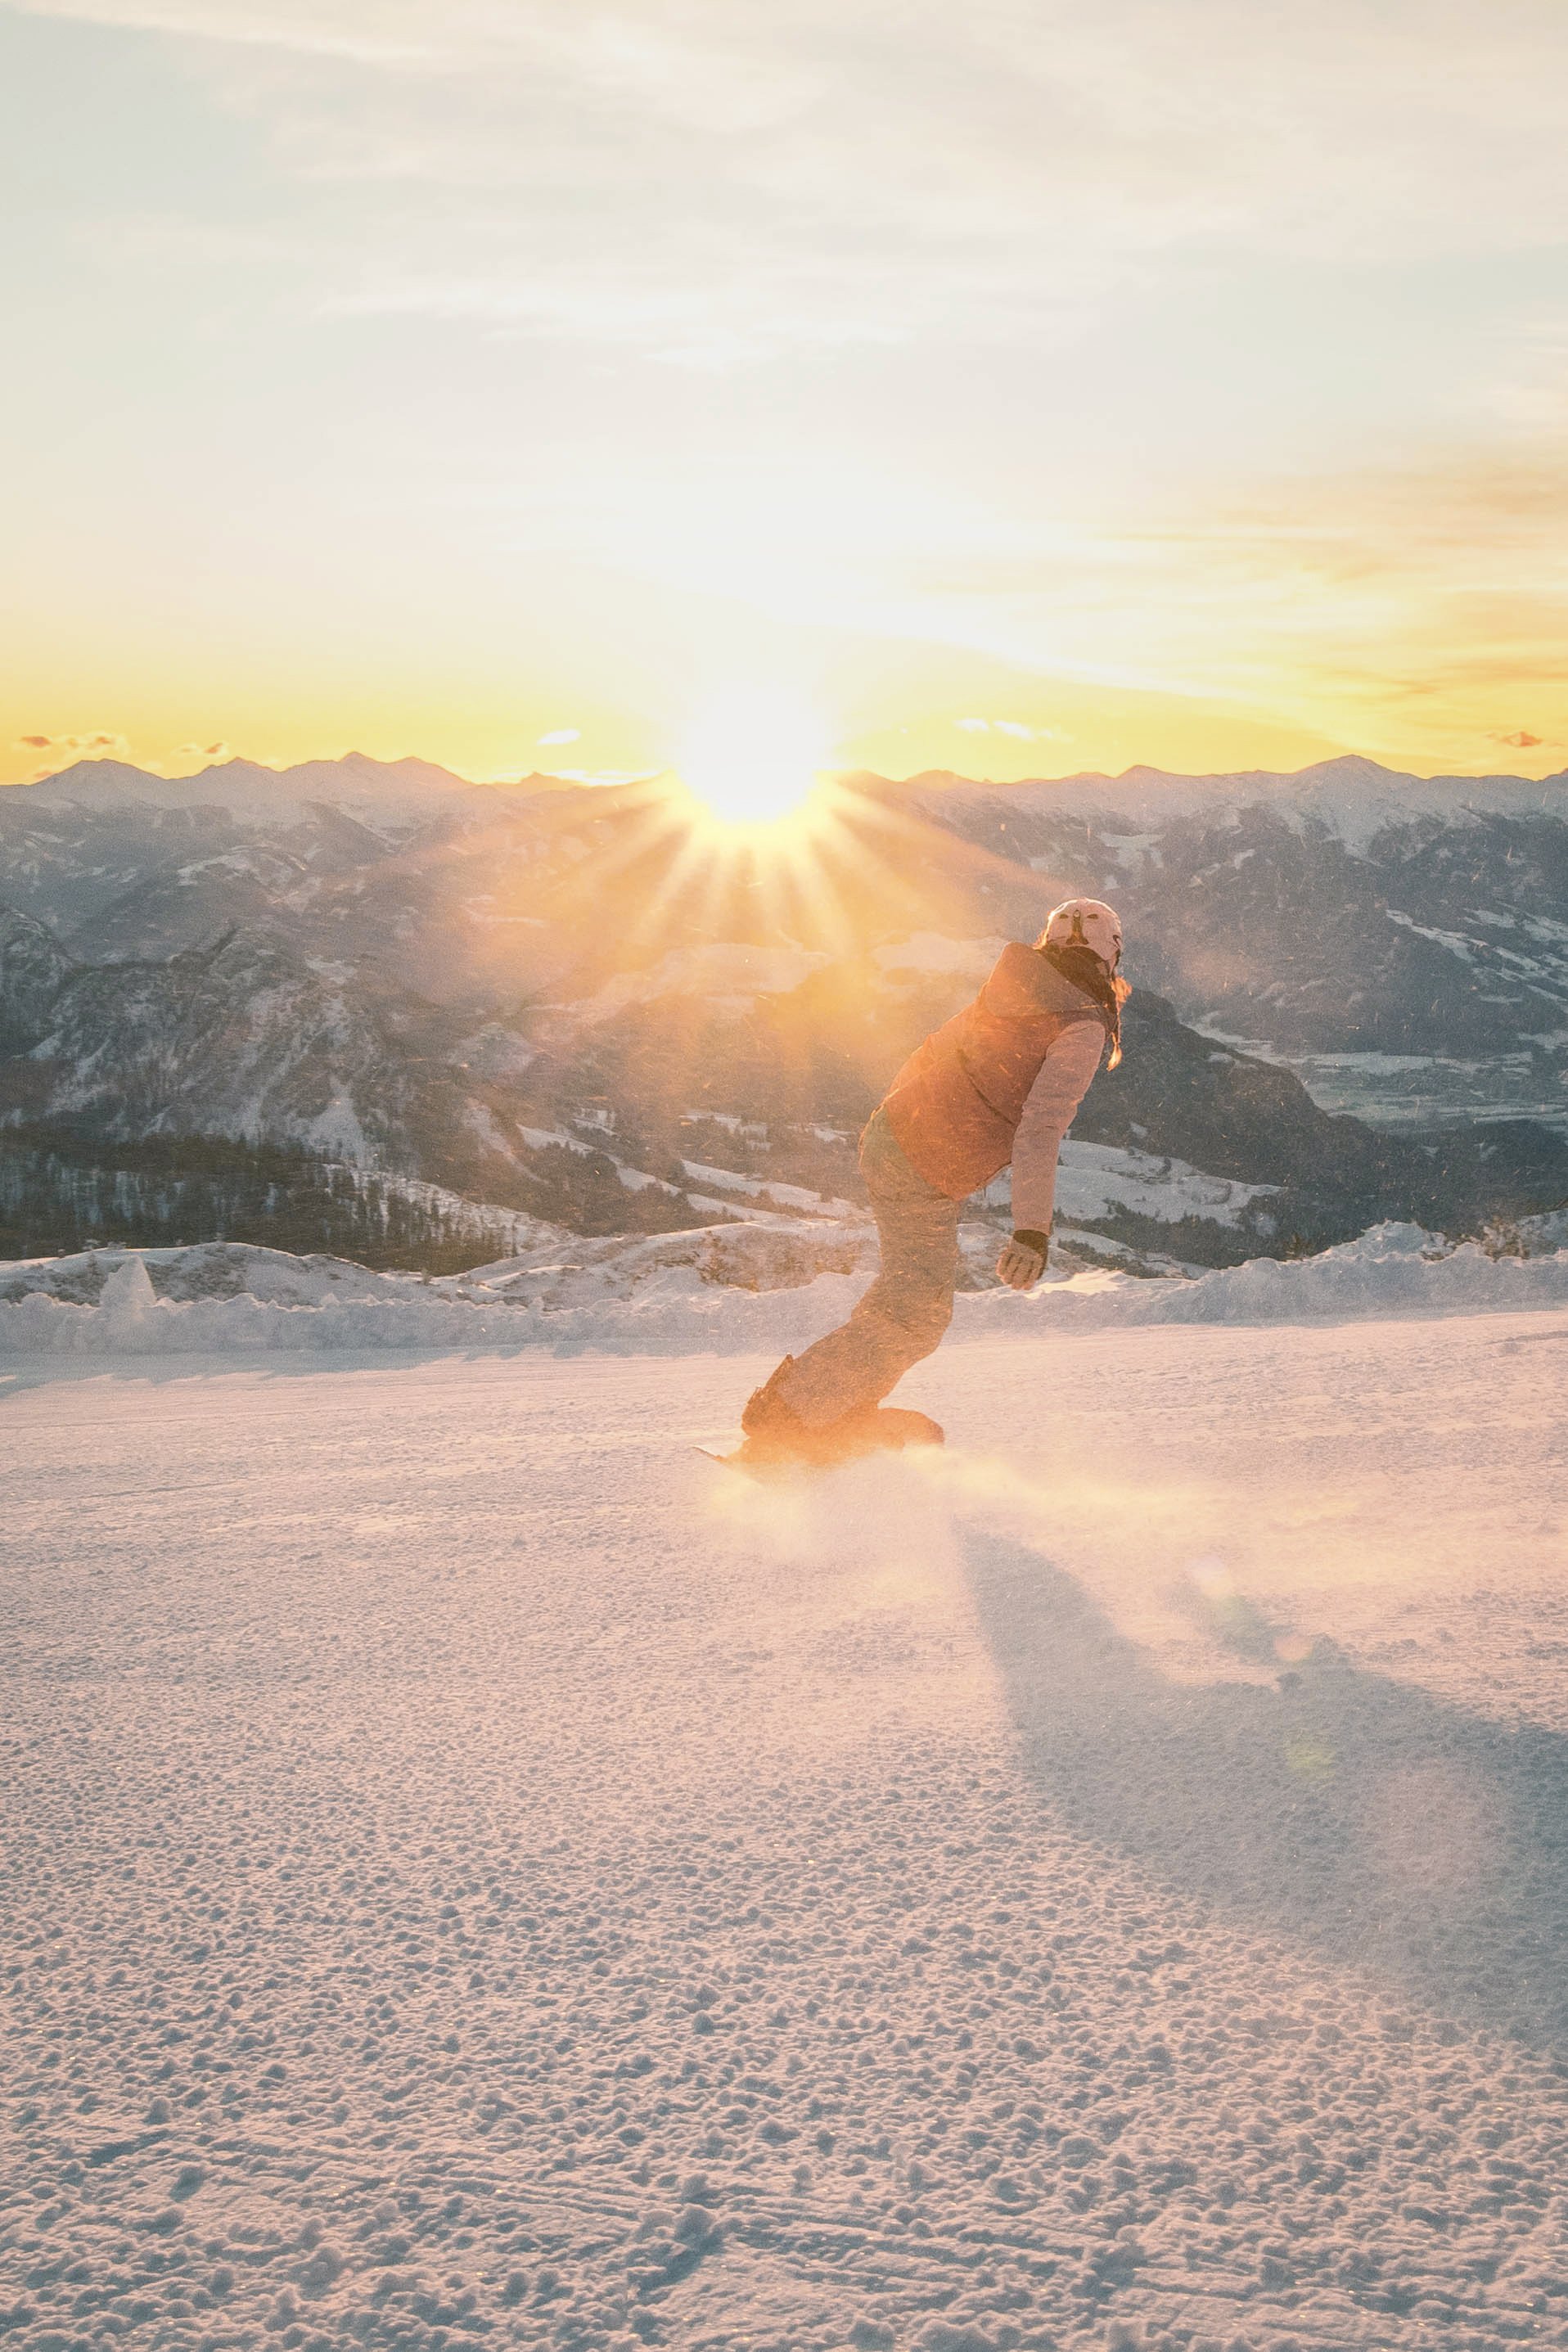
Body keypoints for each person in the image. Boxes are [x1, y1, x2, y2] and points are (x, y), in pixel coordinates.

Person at [738, 898, 1127, 1466]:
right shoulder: (1082, 1025)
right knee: (914, 1314)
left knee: (906, 1302)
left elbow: (931, 1051)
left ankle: (829, 1410)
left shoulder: (1015, 983)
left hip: (893, 1134)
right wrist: (1031, 1232)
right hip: (926, 1162)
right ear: (1111, 951)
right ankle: (790, 1415)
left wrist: (898, 1122)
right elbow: (1040, 1129)